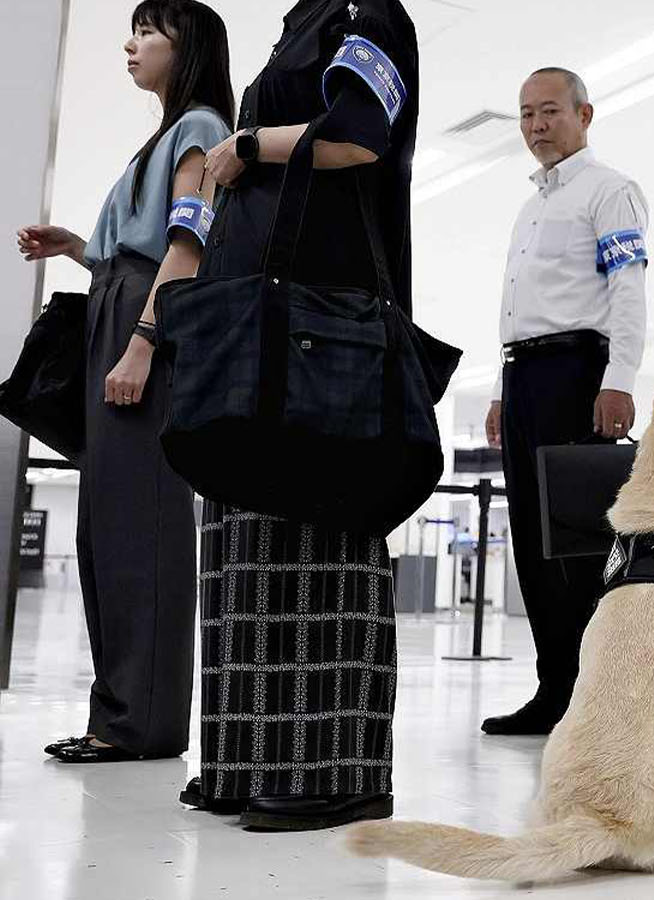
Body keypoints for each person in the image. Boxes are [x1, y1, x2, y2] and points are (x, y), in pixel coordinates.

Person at [179, 0, 419, 831]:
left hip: (327, 314)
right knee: (252, 537)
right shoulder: (301, 20)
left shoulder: (368, 13)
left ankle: (338, 770)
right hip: (267, 316)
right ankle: (246, 758)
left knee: (322, 536)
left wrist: (244, 146)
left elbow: (356, 135)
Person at [15, 0, 232, 765]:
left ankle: (143, 722)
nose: (132, 44)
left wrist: (141, 344)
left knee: (142, 524)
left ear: (191, 43)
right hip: (118, 304)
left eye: (149, 31)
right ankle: (120, 714)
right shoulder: (170, 134)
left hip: (144, 323)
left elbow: (185, 249)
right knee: (108, 525)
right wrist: (81, 247)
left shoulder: (200, 129)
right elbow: (139, 251)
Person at [482, 67, 649, 736]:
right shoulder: (531, 206)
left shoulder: (609, 192)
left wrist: (621, 377)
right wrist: (501, 390)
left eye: (548, 111)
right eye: (525, 114)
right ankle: (556, 689)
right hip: (524, 378)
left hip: (577, 373)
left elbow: (628, 290)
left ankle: (601, 699)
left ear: (584, 113)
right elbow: (518, 309)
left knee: (579, 546)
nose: (535, 126)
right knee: (532, 542)